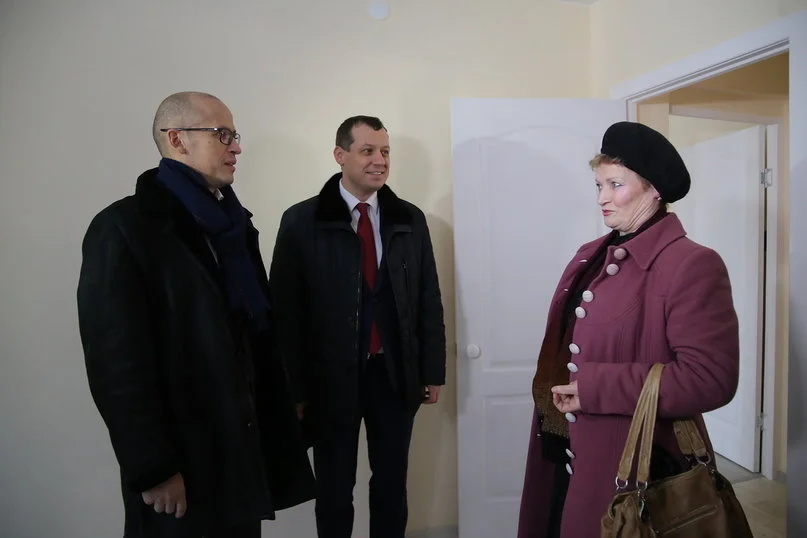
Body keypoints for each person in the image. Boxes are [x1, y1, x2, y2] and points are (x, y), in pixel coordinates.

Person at [77, 91, 315, 538]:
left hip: (240, 453)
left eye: (235, 135)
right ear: (177, 139)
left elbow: (254, 337)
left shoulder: (234, 226)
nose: (236, 147)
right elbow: (117, 366)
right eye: (222, 134)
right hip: (182, 462)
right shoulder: (125, 229)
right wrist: (153, 468)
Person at [516, 121, 741, 538]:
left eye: (615, 185)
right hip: (564, 447)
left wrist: (595, 388)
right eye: (598, 185)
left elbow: (711, 379)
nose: (601, 198)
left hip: (633, 466)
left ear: (654, 190)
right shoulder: (589, 254)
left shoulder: (692, 264)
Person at [268, 115, 446, 538]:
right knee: (333, 488)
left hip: (394, 374)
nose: (379, 161)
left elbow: (428, 297)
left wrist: (432, 371)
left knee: (391, 484)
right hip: (330, 379)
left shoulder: (409, 219)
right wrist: (293, 389)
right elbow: (285, 314)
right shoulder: (302, 221)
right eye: (367, 151)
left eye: (385, 151)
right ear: (340, 155)